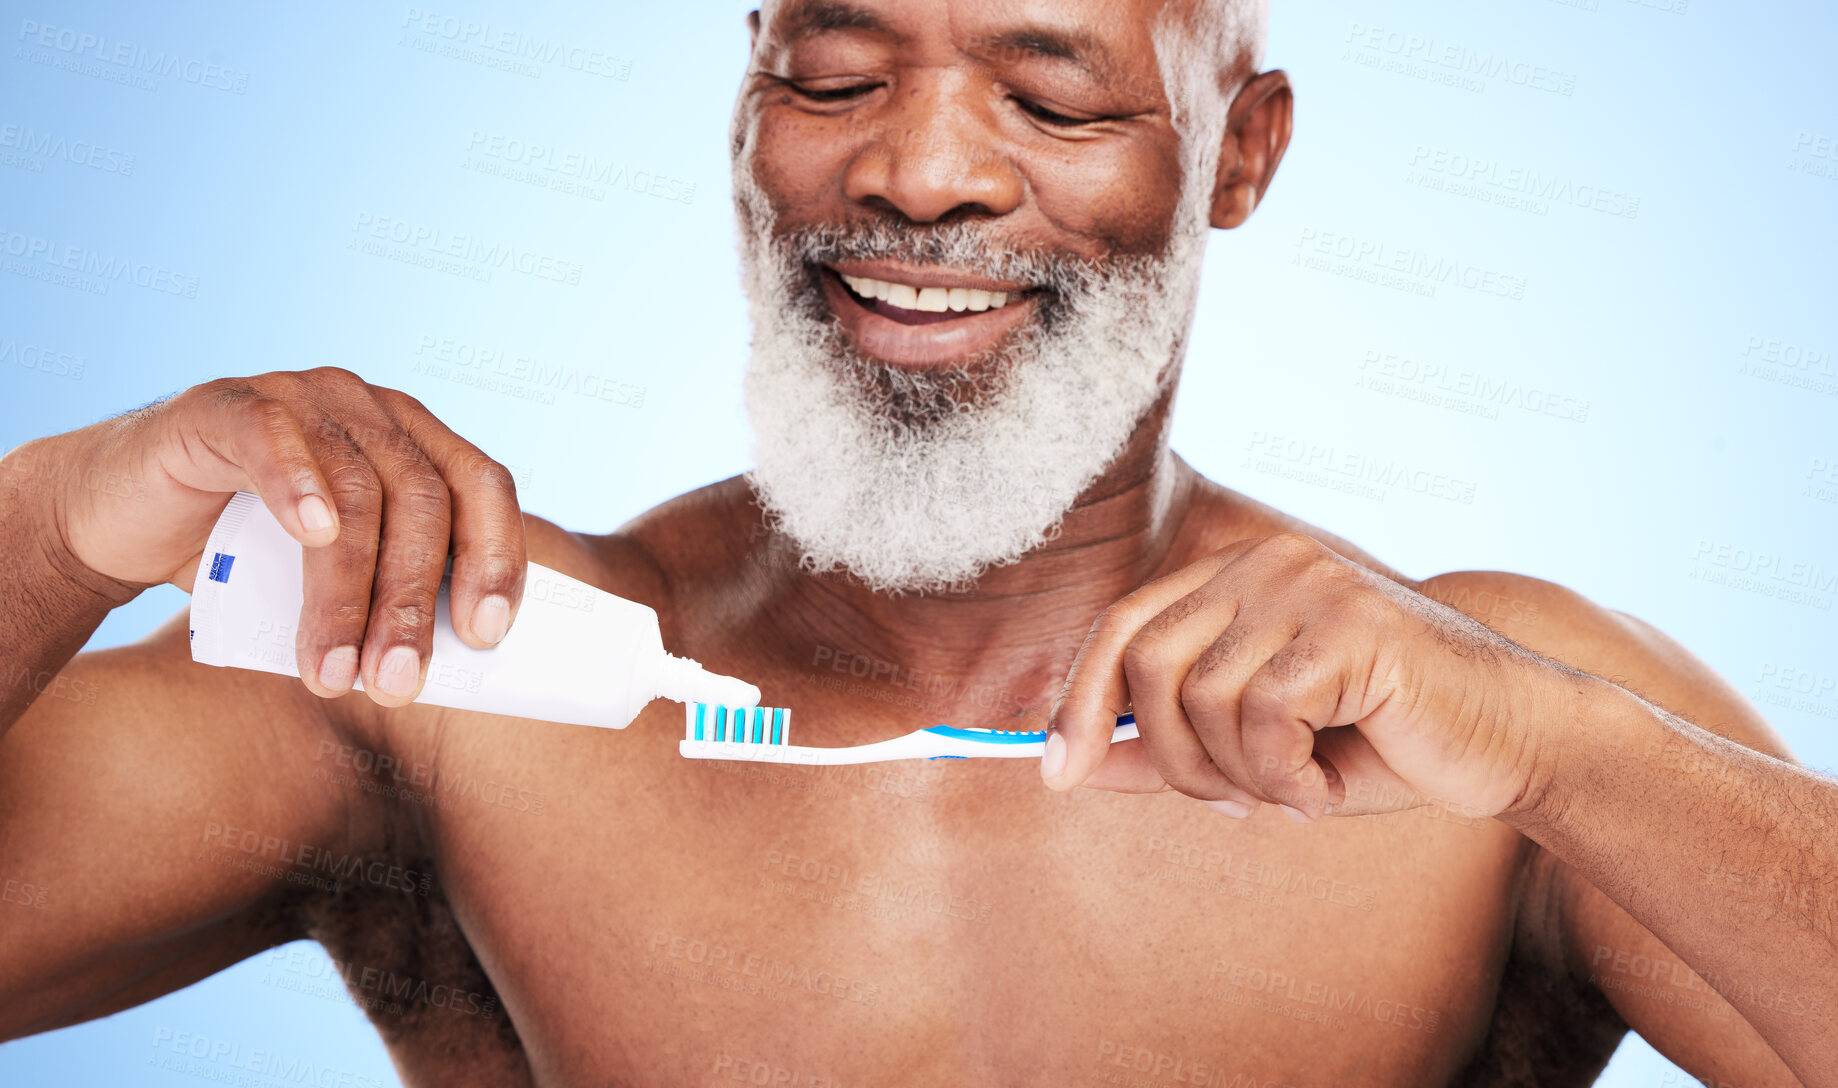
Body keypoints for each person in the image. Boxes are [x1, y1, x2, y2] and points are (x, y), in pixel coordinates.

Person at [1, 1, 1830, 1084]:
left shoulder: (1502, 738)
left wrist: (1565, 752)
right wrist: (64, 515)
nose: (919, 176)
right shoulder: (435, 678)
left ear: (1237, 153)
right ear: (744, 108)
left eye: (1048, 99)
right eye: (835, 76)